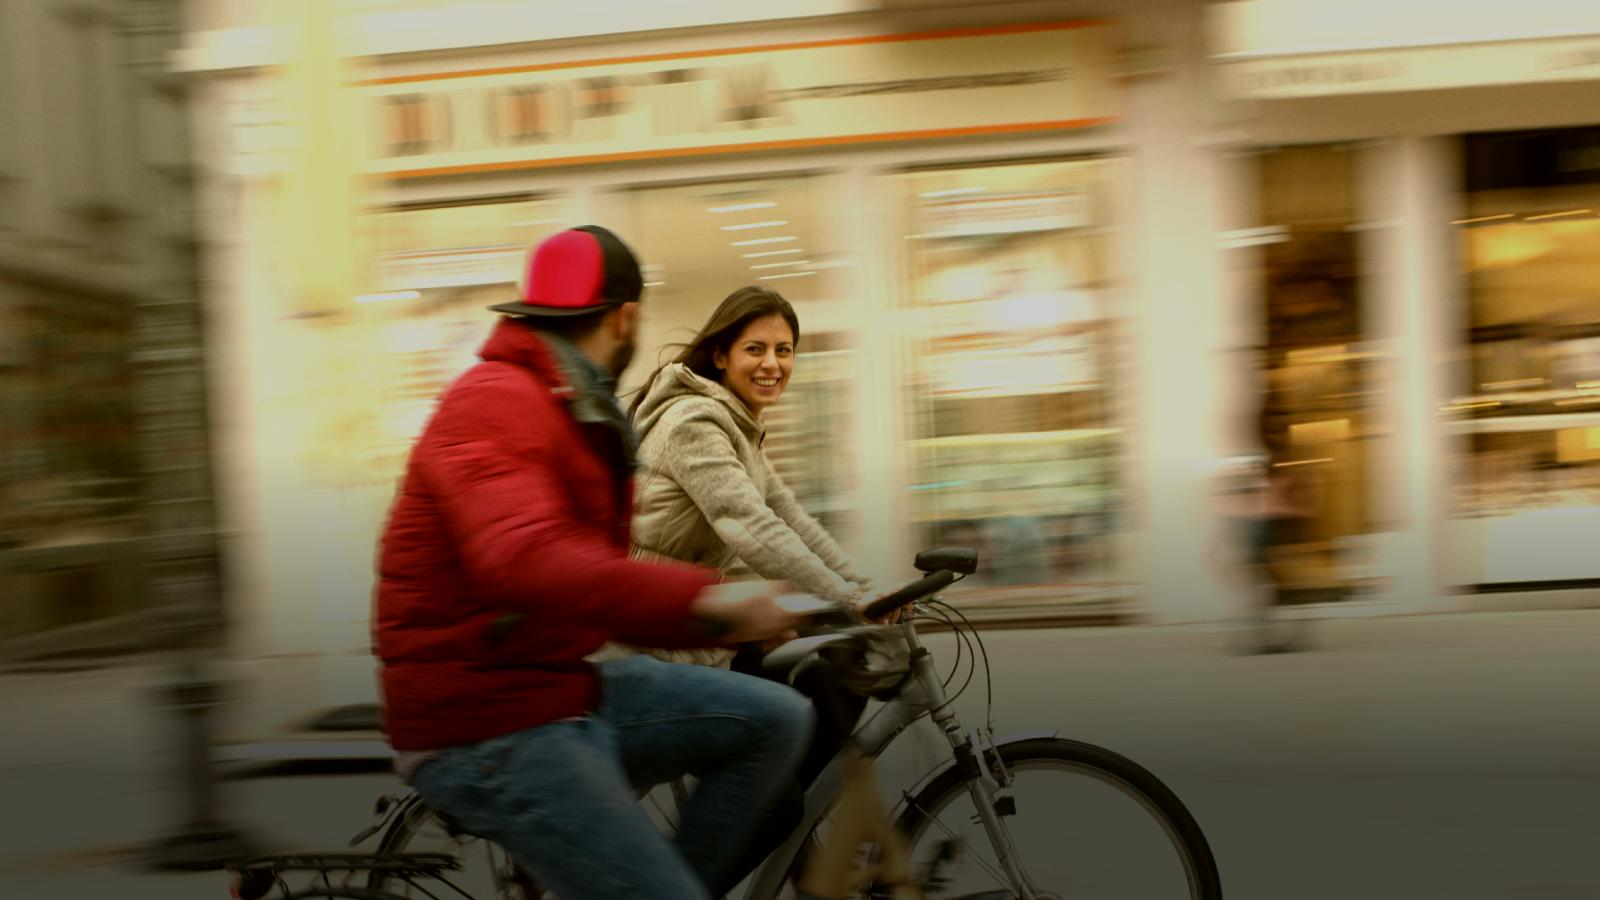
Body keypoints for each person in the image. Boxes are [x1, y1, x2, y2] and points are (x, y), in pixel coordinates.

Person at [373, 227, 815, 900]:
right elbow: (527, 557)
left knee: (778, 719)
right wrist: (706, 604)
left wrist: (722, 616)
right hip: (486, 722)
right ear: (626, 317)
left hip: (557, 686)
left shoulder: (566, 400)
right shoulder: (497, 399)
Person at [599, 285, 880, 886]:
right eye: (756, 348)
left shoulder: (736, 423)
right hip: (651, 642)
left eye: (785, 349)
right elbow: (750, 528)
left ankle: (801, 855)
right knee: (770, 798)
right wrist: (846, 599)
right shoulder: (695, 421)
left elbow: (791, 518)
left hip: (695, 633)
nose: (772, 363)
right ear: (721, 354)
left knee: (824, 678)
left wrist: (863, 587)